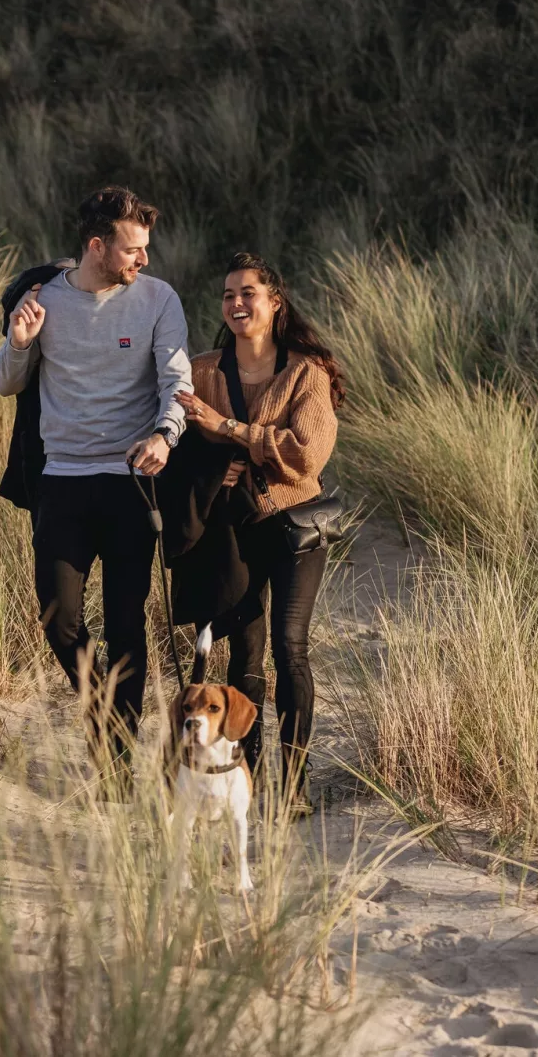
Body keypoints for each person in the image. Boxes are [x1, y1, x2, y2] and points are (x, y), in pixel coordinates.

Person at [0, 186, 192, 796]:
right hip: (64, 483)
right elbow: (4, 382)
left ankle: (117, 761)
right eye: (133, 249)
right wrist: (20, 341)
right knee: (59, 617)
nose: (143, 260)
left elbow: (175, 378)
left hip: (134, 481)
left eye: (146, 248)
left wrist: (166, 433)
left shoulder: (158, 299)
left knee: (127, 625)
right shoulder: (41, 300)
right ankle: (105, 714)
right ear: (97, 246)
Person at [175, 252, 344, 816]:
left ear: (275, 303)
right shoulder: (202, 370)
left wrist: (229, 430)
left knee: (288, 648)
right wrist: (209, 465)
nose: (237, 303)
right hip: (234, 528)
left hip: (295, 528)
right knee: (244, 660)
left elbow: (305, 455)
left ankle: (292, 788)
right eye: (228, 295)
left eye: (249, 293)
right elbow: (172, 433)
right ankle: (246, 776)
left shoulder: (305, 373)